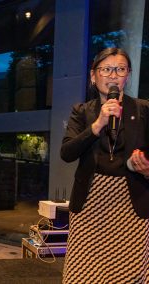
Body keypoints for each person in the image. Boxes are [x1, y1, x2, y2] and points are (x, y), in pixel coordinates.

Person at [61, 47, 149, 283]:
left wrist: (147, 170)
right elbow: (67, 153)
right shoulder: (81, 112)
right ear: (93, 76)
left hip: (131, 203)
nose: (113, 75)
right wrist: (97, 126)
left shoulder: (143, 110)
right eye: (106, 69)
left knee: (127, 275)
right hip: (91, 202)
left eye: (120, 69)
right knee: (83, 275)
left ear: (127, 75)